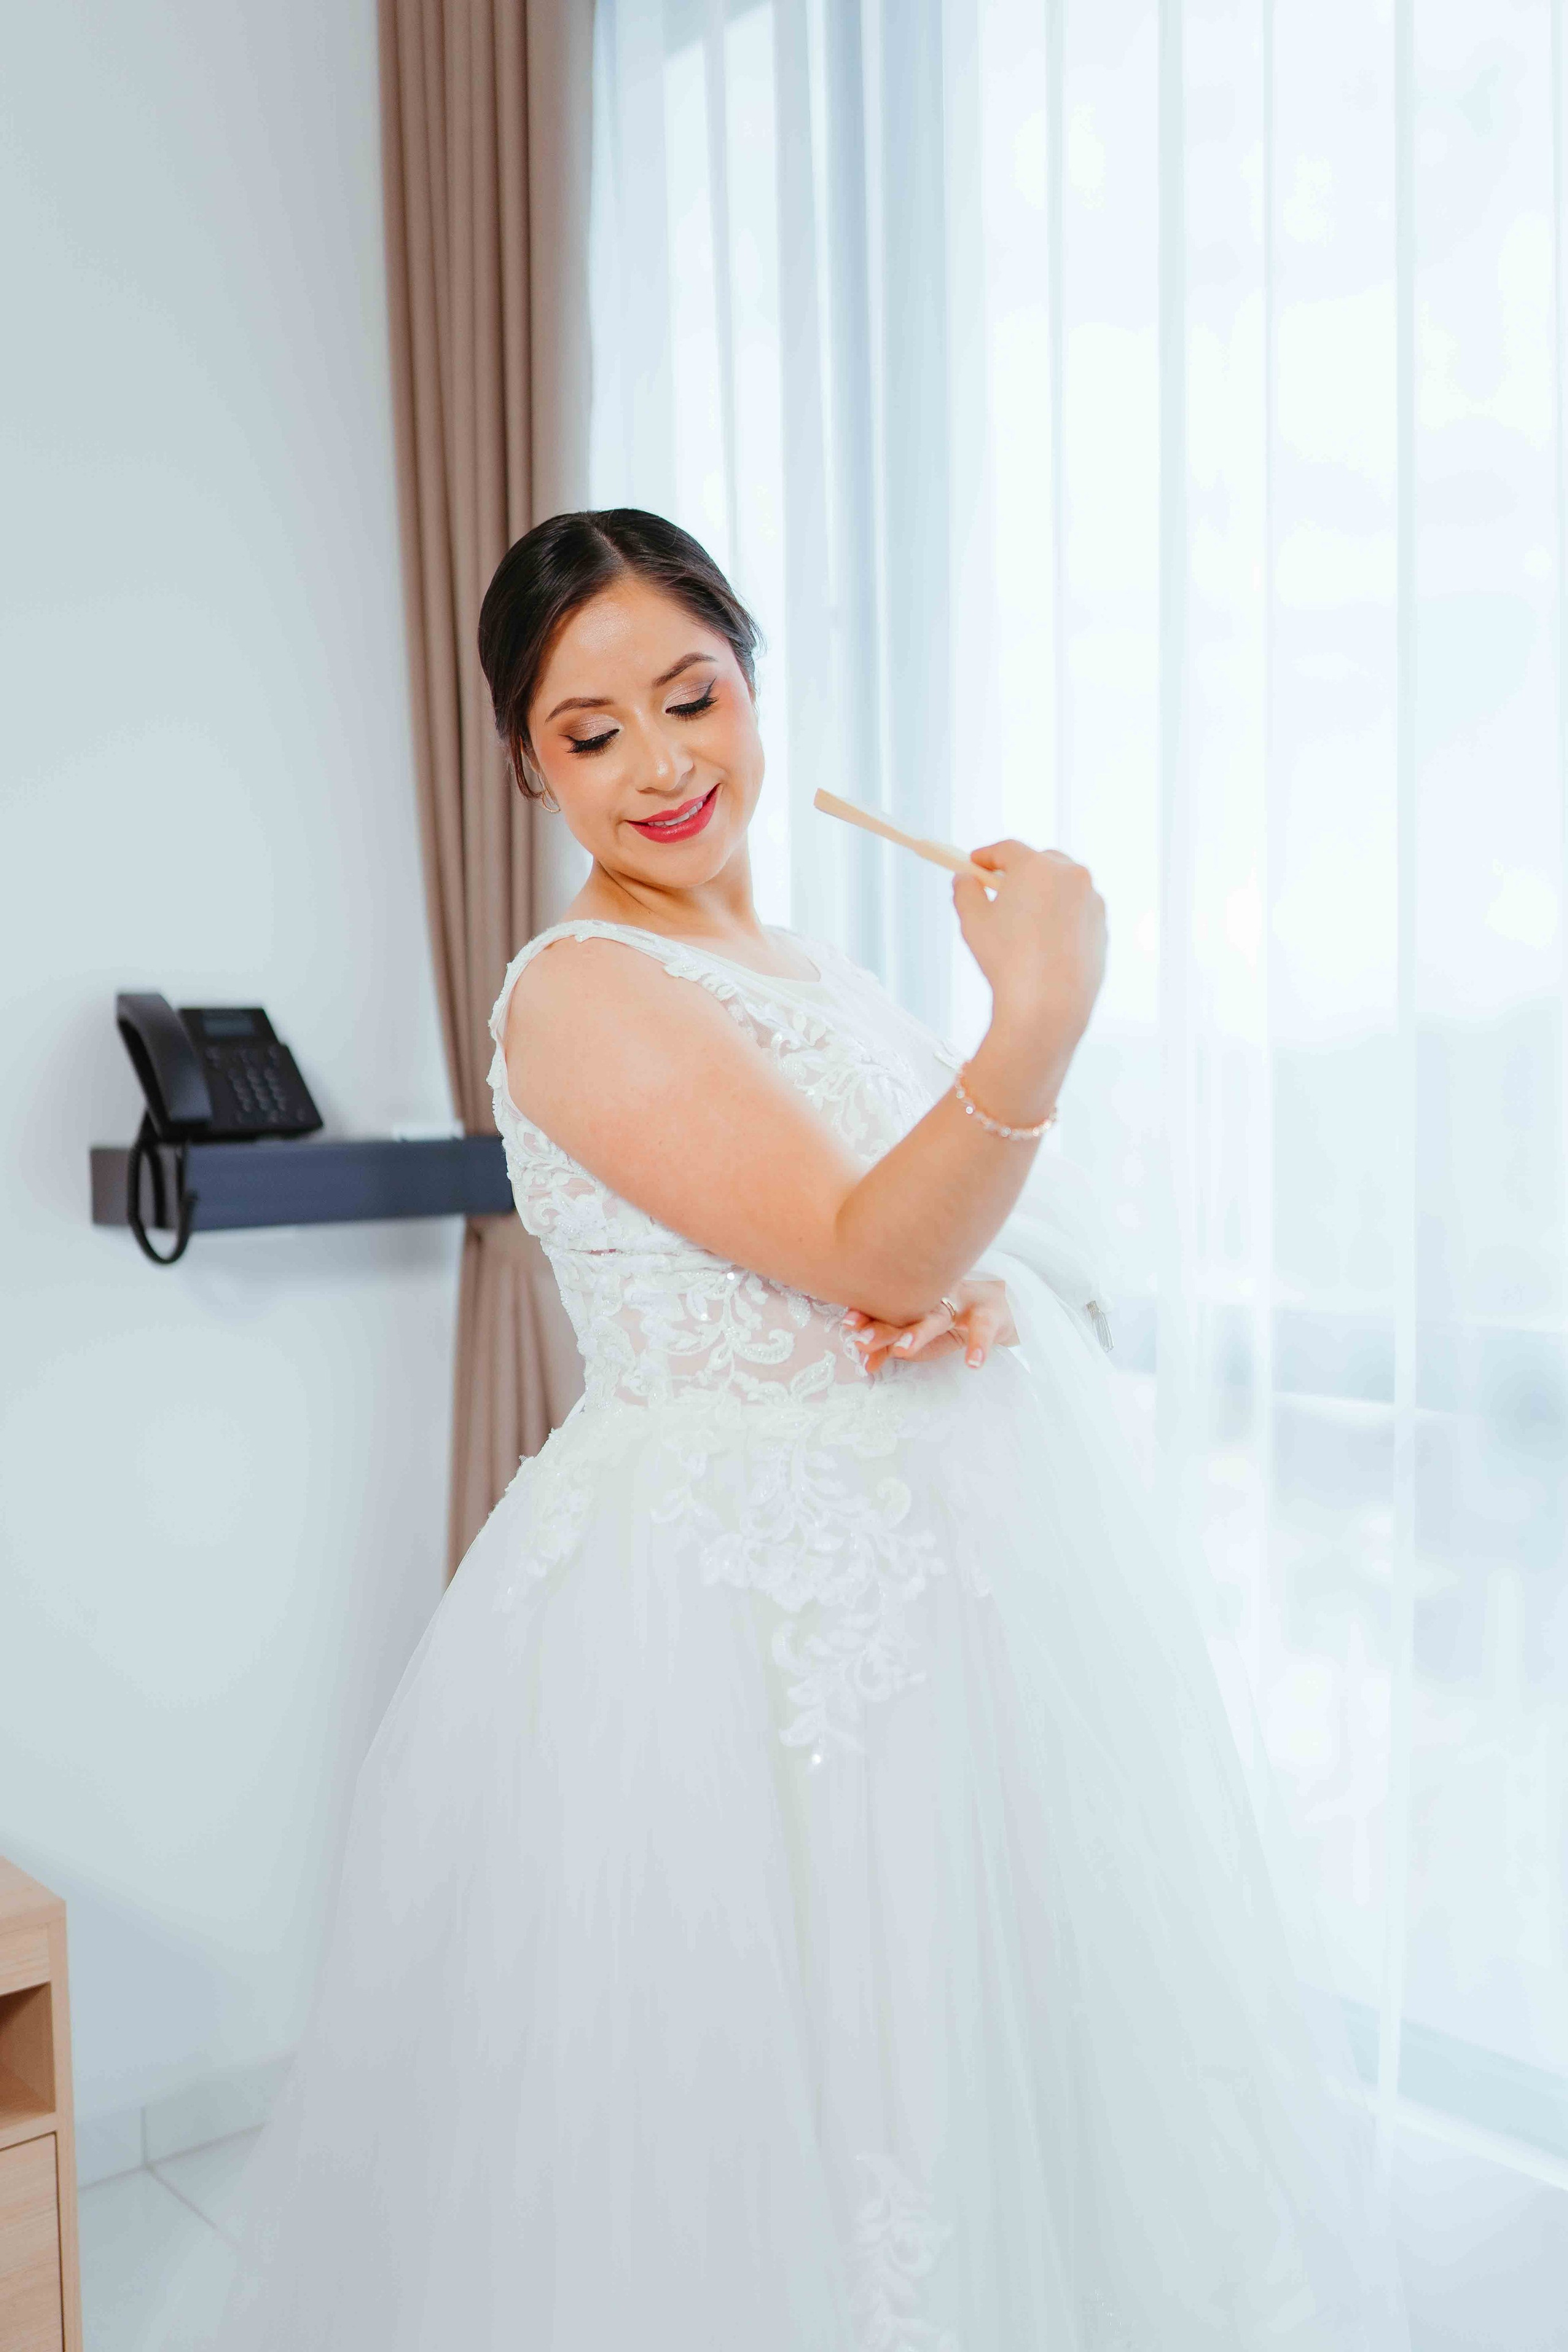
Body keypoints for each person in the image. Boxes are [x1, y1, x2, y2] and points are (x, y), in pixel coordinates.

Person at [216, 509, 1409, 2348]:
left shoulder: (815, 974)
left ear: (751, 680)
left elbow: (890, 1248)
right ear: (526, 764)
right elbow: (870, 1238)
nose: (662, 764)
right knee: (777, 2118)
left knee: (976, 2078)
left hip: (940, 1604)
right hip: (721, 1638)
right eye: (590, 732)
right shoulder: (581, 991)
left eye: (690, 697)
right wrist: (1043, 1018)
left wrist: (969, 1288)